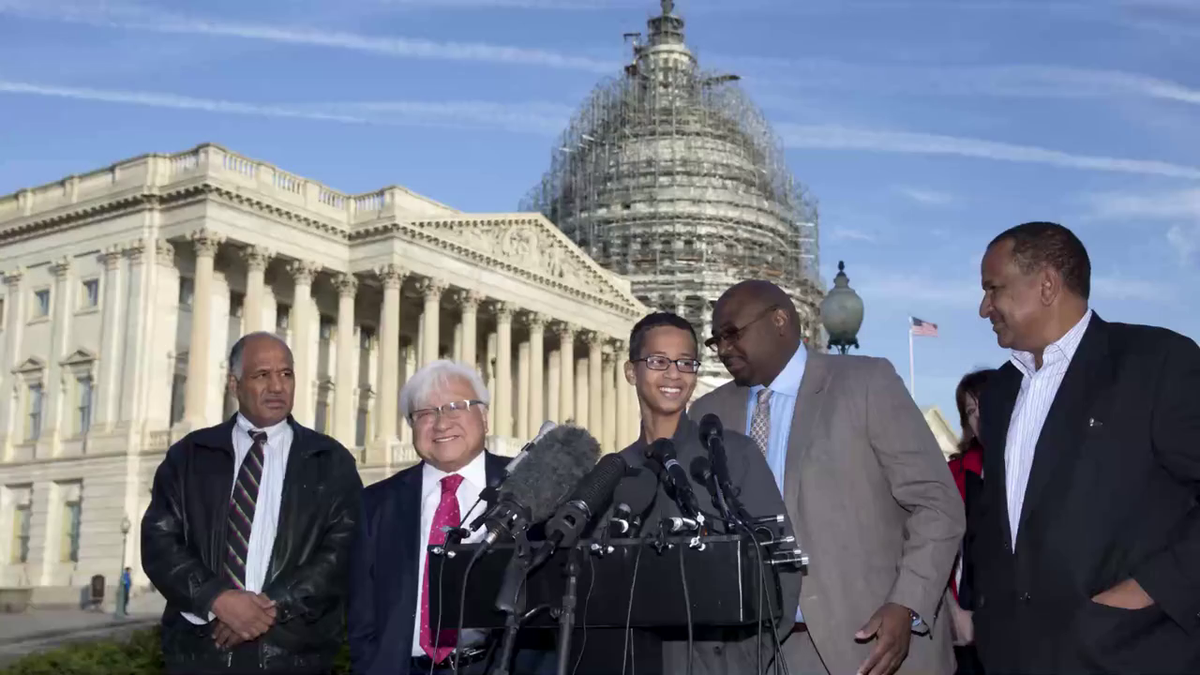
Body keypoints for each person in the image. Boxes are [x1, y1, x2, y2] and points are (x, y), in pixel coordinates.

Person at [690, 280, 965, 675]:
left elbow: (937, 505)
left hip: (869, 648)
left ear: (780, 320)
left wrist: (907, 604)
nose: (724, 349)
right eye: (717, 340)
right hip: (755, 654)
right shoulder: (708, 414)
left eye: (733, 333)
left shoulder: (865, 383)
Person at [971, 221, 1200, 674]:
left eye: (993, 289)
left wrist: (1148, 590)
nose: (984, 307)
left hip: (1129, 654)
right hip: (1011, 658)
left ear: (1048, 285)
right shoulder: (998, 393)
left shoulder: (1156, 363)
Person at [141, 331, 363, 674]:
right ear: (234, 385)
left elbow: (341, 551)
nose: (277, 386)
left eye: (285, 374)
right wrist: (217, 599)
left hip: (296, 655)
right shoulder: (189, 457)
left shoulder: (331, 462)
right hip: (201, 653)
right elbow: (159, 541)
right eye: (262, 375)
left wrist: (266, 609)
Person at [602, 311, 800, 674]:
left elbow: (782, 566)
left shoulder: (731, 454)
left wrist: (742, 662)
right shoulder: (613, 471)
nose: (674, 373)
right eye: (658, 361)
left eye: (685, 362)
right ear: (632, 371)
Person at [347, 360, 552, 675]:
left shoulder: (531, 488)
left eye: (455, 407)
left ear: (483, 416)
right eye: (425, 413)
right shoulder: (375, 503)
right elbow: (361, 609)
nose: (441, 424)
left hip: (498, 667)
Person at [945, 368, 993, 674]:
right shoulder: (954, 476)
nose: (979, 417)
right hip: (966, 627)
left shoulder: (1042, 469)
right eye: (971, 411)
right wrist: (953, 612)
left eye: (985, 406)